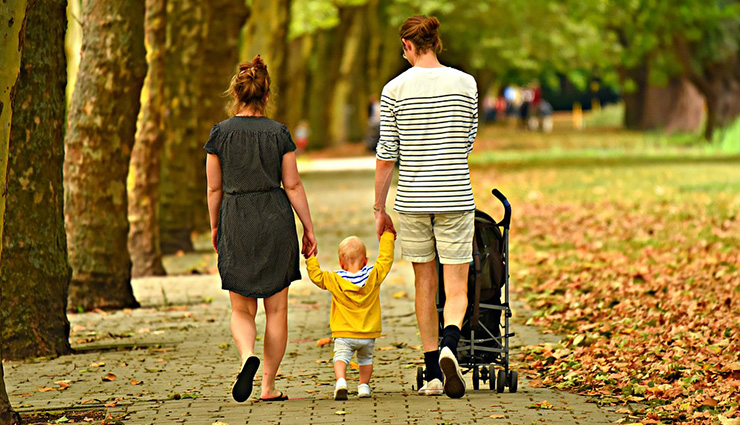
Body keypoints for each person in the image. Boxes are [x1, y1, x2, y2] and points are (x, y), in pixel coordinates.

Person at [374, 15, 477, 399]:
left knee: (424, 282)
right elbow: (468, 141)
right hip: (455, 195)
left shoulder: (394, 89)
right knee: (456, 284)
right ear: (437, 42)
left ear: (408, 46)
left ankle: (433, 371)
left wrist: (378, 206)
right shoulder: (466, 84)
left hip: (413, 200)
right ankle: (452, 342)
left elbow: (387, 154)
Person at [205, 55, 317, 403]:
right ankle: (268, 386)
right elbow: (294, 185)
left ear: (235, 94)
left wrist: (215, 226)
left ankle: (246, 357)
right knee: (277, 311)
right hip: (274, 217)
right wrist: (308, 229)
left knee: (241, 309)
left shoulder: (220, 134)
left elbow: (213, 189)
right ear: (266, 95)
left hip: (236, 218)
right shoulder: (279, 133)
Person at [305, 232, 395, 400]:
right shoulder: (373, 275)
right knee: (365, 359)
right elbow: (386, 260)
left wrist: (310, 257)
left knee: (340, 357)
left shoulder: (335, 279)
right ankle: (364, 386)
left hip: (343, 333)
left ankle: (341, 381)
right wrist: (387, 236)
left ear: (340, 262)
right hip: (368, 333)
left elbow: (316, 276)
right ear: (366, 261)